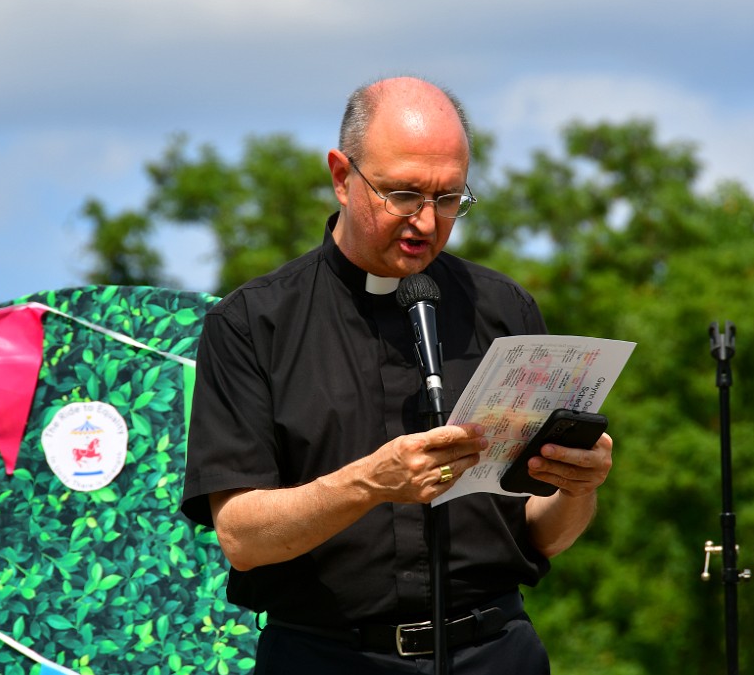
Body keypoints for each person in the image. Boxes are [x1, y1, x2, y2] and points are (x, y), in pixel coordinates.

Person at [181, 76, 614, 674]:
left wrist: (577, 486)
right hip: (328, 657)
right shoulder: (253, 323)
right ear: (341, 176)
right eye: (404, 194)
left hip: (494, 651)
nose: (427, 222)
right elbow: (242, 538)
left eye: (448, 199)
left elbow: (541, 535)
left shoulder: (506, 310)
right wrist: (371, 483)